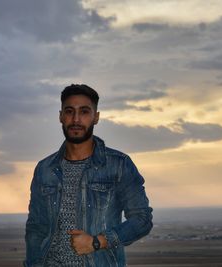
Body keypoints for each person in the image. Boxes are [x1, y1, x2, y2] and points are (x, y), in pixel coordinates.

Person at [24, 84, 153, 267]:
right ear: (61, 116)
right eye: (69, 111)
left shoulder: (119, 165)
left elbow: (142, 220)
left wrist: (97, 242)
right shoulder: (45, 169)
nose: (76, 119)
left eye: (84, 112)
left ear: (96, 117)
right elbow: (36, 229)